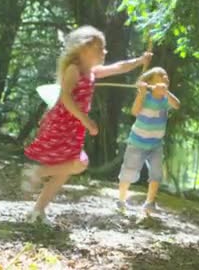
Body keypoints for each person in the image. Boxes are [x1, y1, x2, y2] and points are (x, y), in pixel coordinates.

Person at [21, 25, 152, 224]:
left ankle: (37, 211)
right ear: (83, 49)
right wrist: (86, 120)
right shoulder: (74, 70)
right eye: (99, 48)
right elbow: (65, 97)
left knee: (67, 168)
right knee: (77, 164)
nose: (104, 52)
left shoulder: (92, 72)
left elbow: (118, 67)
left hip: (73, 127)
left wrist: (139, 61)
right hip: (62, 124)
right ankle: (38, 173)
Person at [117, 67, 180, 216]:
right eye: (161, 76)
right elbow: (135, 111)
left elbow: (177, 105)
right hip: (137, 142)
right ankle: (121, 199)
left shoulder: (166, 100)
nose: (165, 78)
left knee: (156, 173)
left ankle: (150, 203)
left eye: (166, 76)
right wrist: (141, 94)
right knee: (129, 171)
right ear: (150, 82)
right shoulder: (145, 97)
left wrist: (166, 92)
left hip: (156, 144)